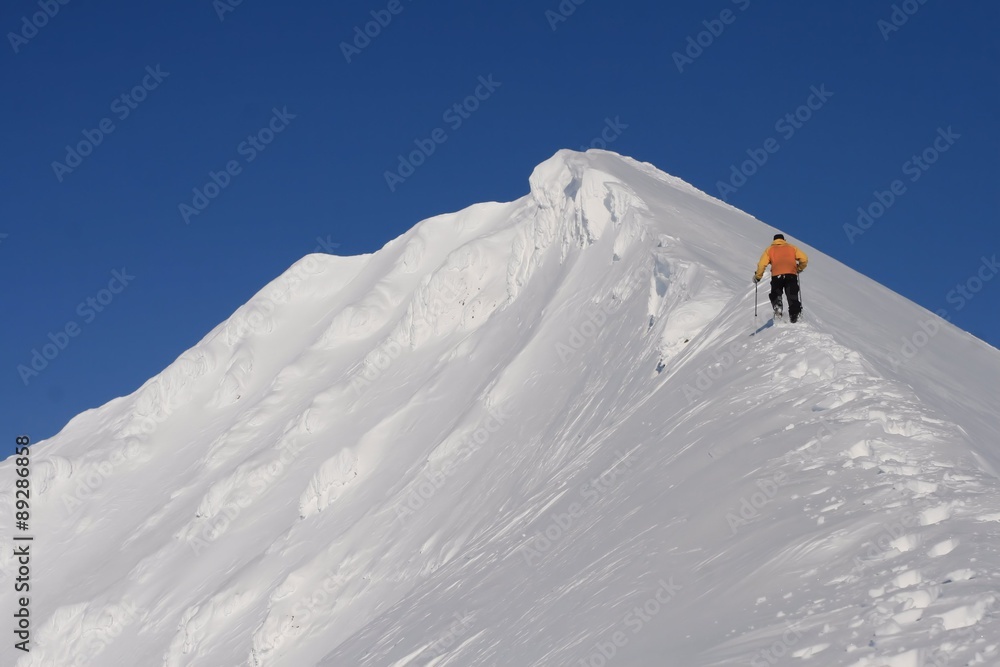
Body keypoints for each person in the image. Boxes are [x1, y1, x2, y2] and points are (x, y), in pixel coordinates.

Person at [754, 234, 809, 322]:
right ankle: (795, 316)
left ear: (774, 241)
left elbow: (761, 265)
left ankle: (778, 307)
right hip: (791, 274)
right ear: (784, 240)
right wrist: (799, 268)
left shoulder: (769, 250)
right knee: (792, 296)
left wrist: (758, 277)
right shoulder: (792, 248)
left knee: (776, 293)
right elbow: (804, 259)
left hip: (777, 276)